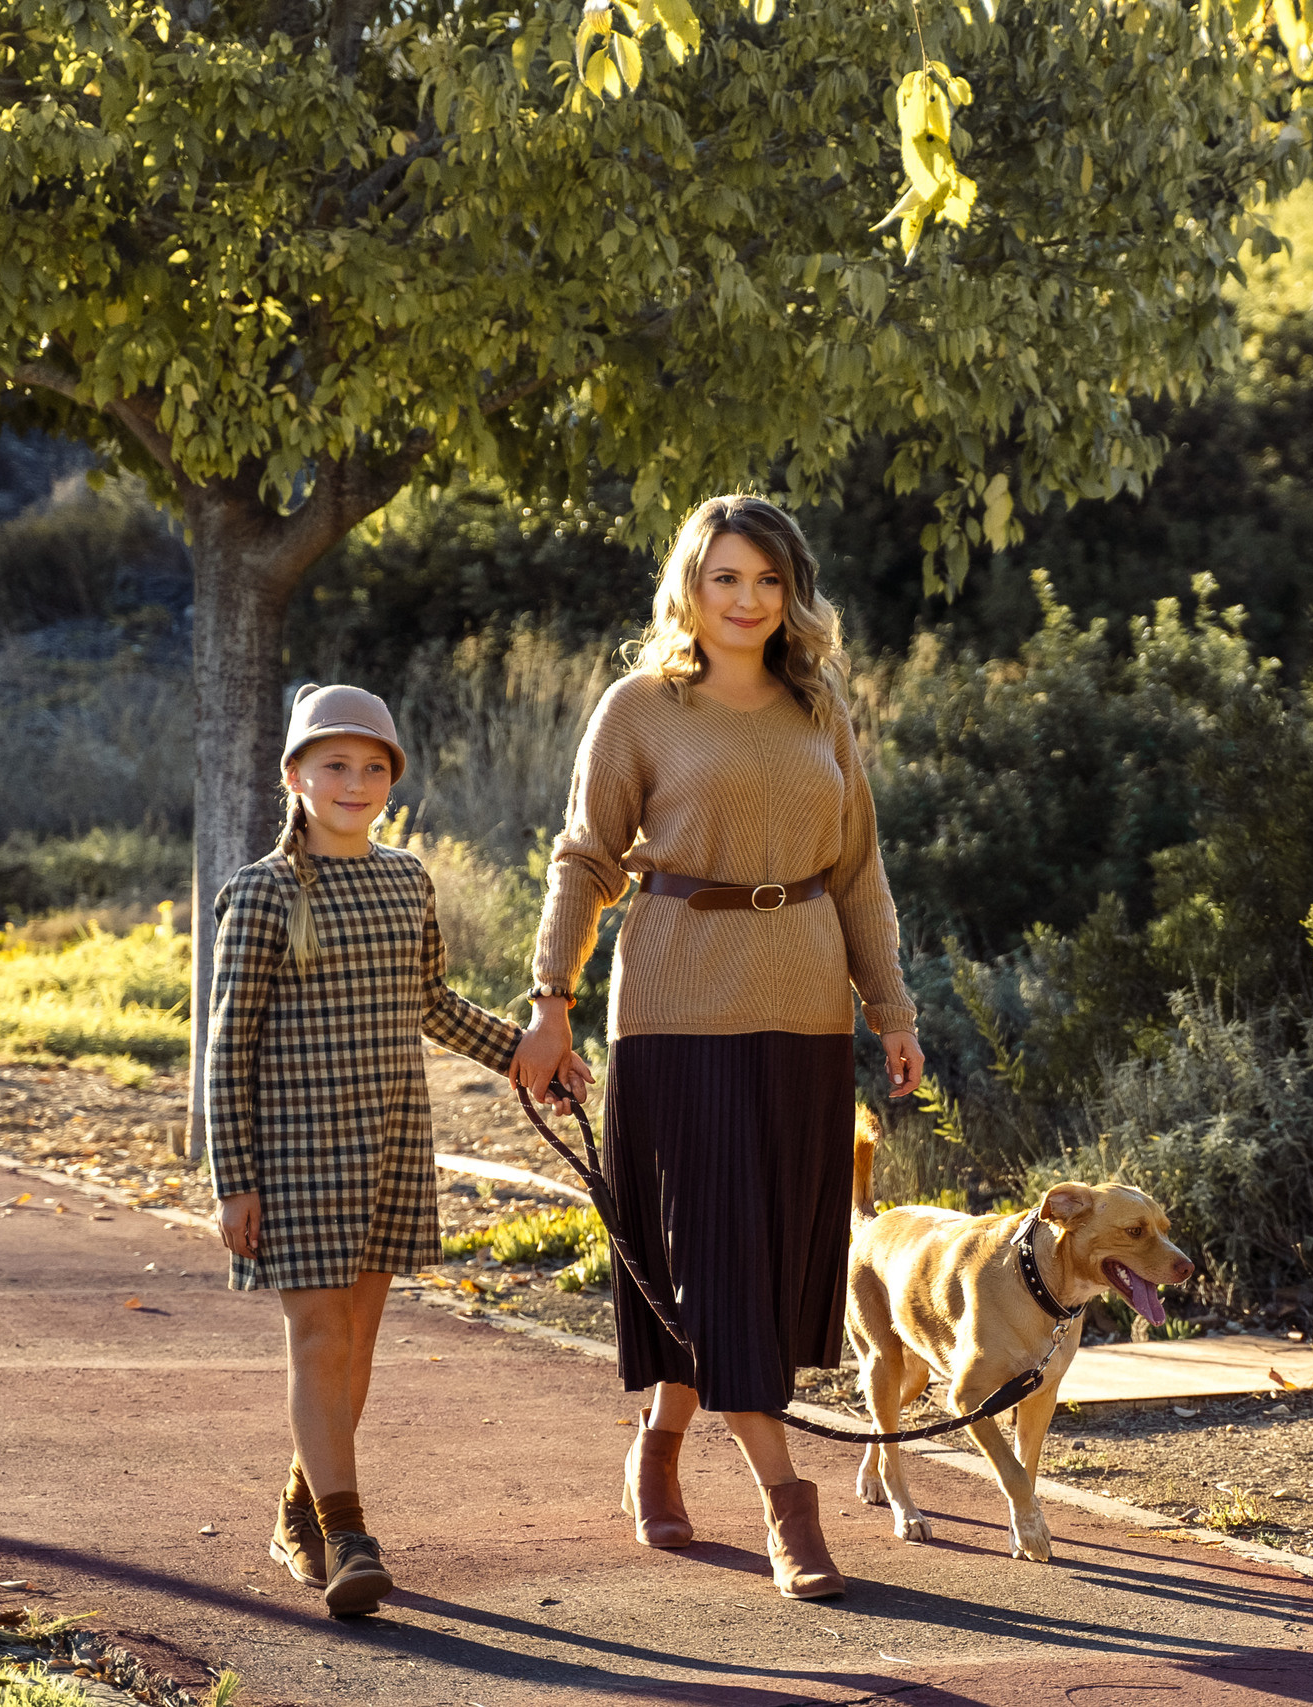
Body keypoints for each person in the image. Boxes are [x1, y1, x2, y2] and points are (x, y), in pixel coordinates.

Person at [514, 494, 925, 1601]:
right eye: (725, 578)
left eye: (768, 581)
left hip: (805, 1011)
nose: (747, 600)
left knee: (765, 1263)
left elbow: (859, 873)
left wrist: (891, 1010)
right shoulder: (639, 707)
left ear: (793, 594)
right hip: (673, 1006)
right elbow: (585, 857)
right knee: (713, 1251)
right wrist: (550, 999)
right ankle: (788, 1504)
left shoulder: (818, 710)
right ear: (688, 588)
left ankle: (658, 1439)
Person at [205, 684, 526, 1617]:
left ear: (393, 779)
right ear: (295, 777)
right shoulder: (262, 892)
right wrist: (234, 1180)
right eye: (335, 764)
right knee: (319, 1339)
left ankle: (297, 1511)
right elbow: (228, 1044)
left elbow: (429, 1002)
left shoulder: (406, 880)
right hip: (295, 1157)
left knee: (356, 1349)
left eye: (374, 766)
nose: (356, 781)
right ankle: (348, 1536)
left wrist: (524, 1054)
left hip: (390, 1143)